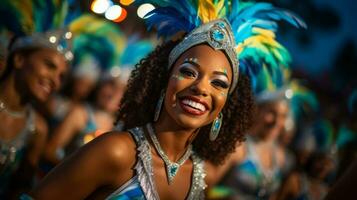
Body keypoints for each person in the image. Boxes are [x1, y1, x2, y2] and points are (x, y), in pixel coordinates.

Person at [28, 0, 304, 199]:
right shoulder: (117, 151)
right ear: (163, 81)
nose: (201, 88)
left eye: (218, 83)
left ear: (225, 105)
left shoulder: (199, 178)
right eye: (188, 71)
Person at [0, 0, 73, 198]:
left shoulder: (37, 129)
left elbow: (19, 189)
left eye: (61, 76)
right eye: (49, 65)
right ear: (19, 59)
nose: (55, 82)